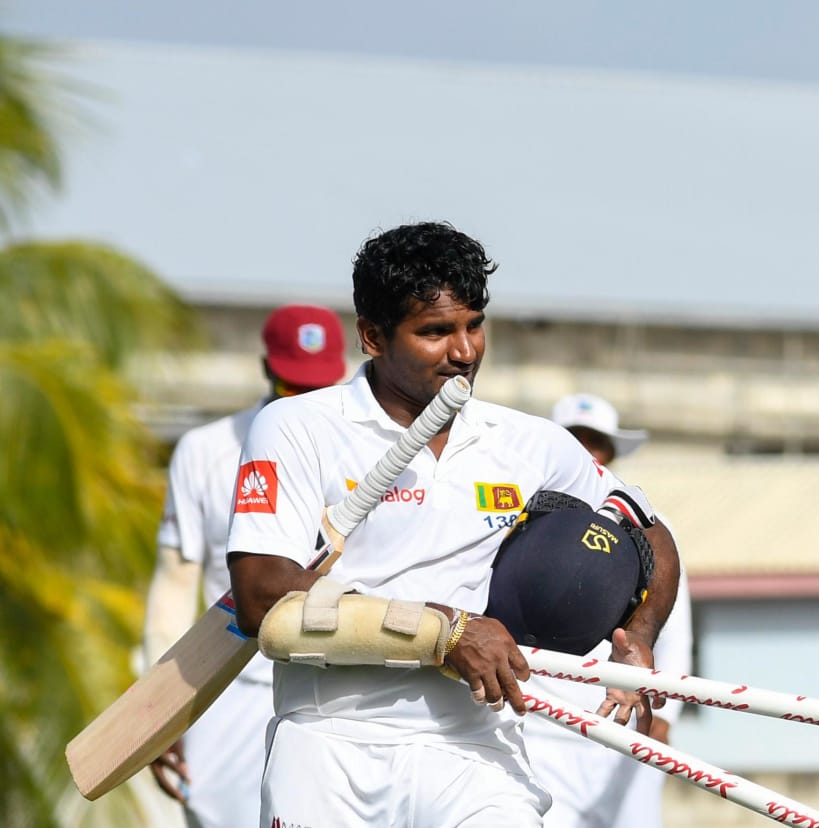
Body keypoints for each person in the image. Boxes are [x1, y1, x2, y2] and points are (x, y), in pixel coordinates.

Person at [225, 222, 683, 826]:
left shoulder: (530, 443)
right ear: (371, 335)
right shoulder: (298, 426)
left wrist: (639, 638)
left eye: (473, 326)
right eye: (435, 332)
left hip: (478, 749)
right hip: (331, 743)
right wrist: (446, 631)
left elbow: (649, 534)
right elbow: (263, 600)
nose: (464, 351)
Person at [144, 304, 349, 826]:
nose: (304, 404)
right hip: (229, 687)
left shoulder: (366, 451)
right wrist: (157, 714)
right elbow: (173, 587)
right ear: (267, 369)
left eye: (317, 389)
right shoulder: (205, 450)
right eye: (293, 387)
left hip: (335, 686)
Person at [525, 392, 694, 828]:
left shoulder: (656, 529)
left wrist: (667, 715)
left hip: (627, 717)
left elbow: (673, 631)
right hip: (543, 724)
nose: (587, 453)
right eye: (574, 439)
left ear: (611, 451)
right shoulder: (527, 518)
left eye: (596, 441)